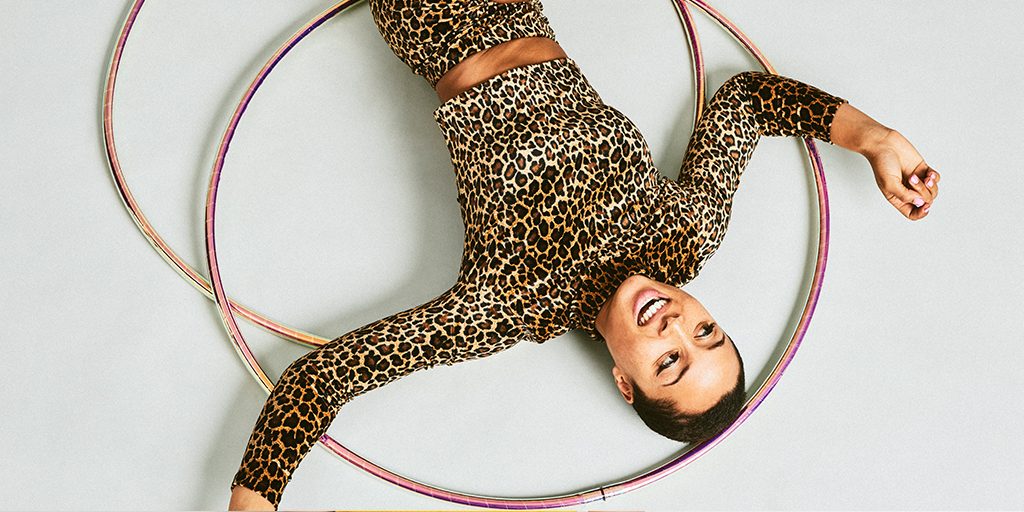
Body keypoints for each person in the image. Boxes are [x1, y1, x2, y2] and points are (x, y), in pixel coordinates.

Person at [228, 0, 941, 509]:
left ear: (625, 383)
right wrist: (875, 140)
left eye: (669, 362)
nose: (676, 327)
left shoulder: (510, 307)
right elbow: (746, 103)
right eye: (706, 331)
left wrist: (253, 501)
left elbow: (327, 377)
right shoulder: (686, 234)